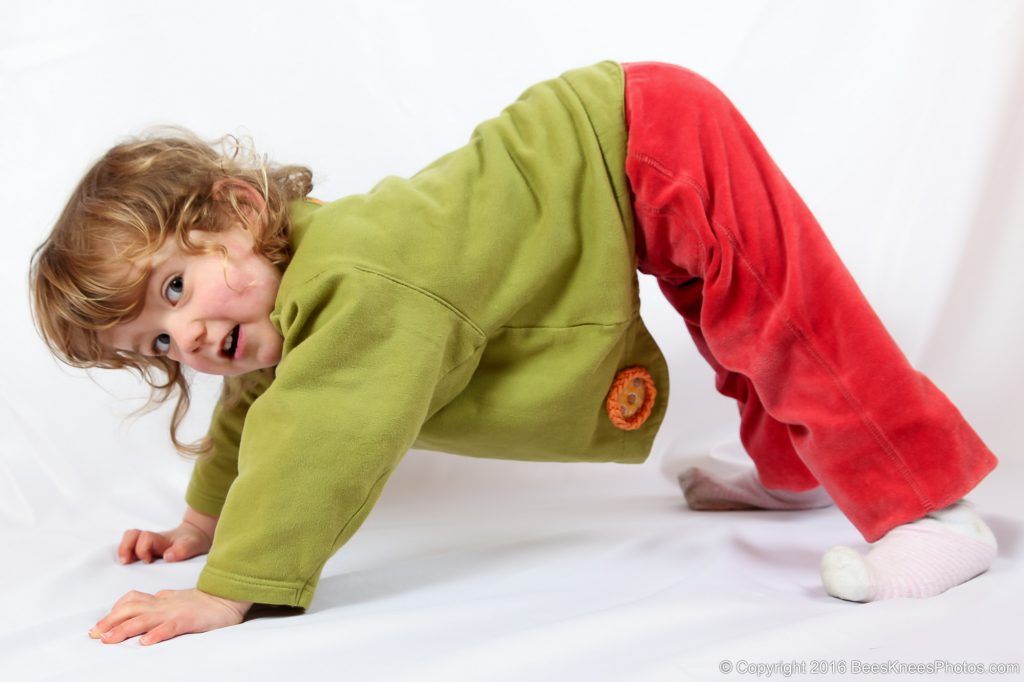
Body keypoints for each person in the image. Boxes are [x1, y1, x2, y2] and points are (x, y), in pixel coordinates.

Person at [28, 60, 999, 647]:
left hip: (649, 138)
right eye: (155, 341)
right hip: (620, 156)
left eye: (174, 289)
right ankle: (795, 468)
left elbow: (319, 433)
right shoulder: (286, 301)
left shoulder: (357, 277)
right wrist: (199, 524)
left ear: (240, 213)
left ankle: (932, 511)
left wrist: (228, 589)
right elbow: (259, 408)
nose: (186, 337)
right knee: (734, 320)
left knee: (785, 316)